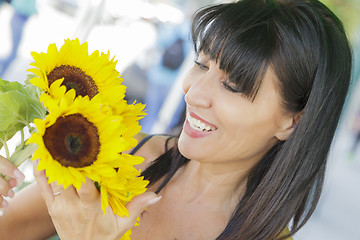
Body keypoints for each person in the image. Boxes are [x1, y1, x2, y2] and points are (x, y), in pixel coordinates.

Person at [0, 0, 352, 239]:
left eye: (233, 85)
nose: (193, 93)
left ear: (293, 121)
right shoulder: (119, 155)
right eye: (201, 63)